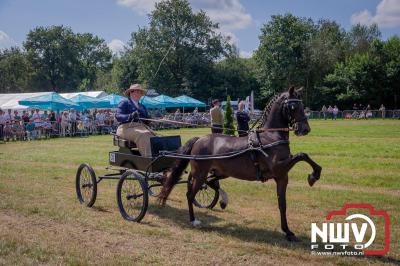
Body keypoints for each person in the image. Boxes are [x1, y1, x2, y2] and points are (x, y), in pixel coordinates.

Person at [115, 84, 155, 157]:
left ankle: (158, 156)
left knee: (155, 137)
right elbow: (118, 116)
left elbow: (146, 121)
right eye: (136, 92)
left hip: (141, 128)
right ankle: (148, 158)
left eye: (140, 92)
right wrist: (130, 116)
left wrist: (149, 120)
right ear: (130, 93)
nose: (138, 94)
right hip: (125, 128)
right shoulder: (124, 103)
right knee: (143, 135)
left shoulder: (143, 107)